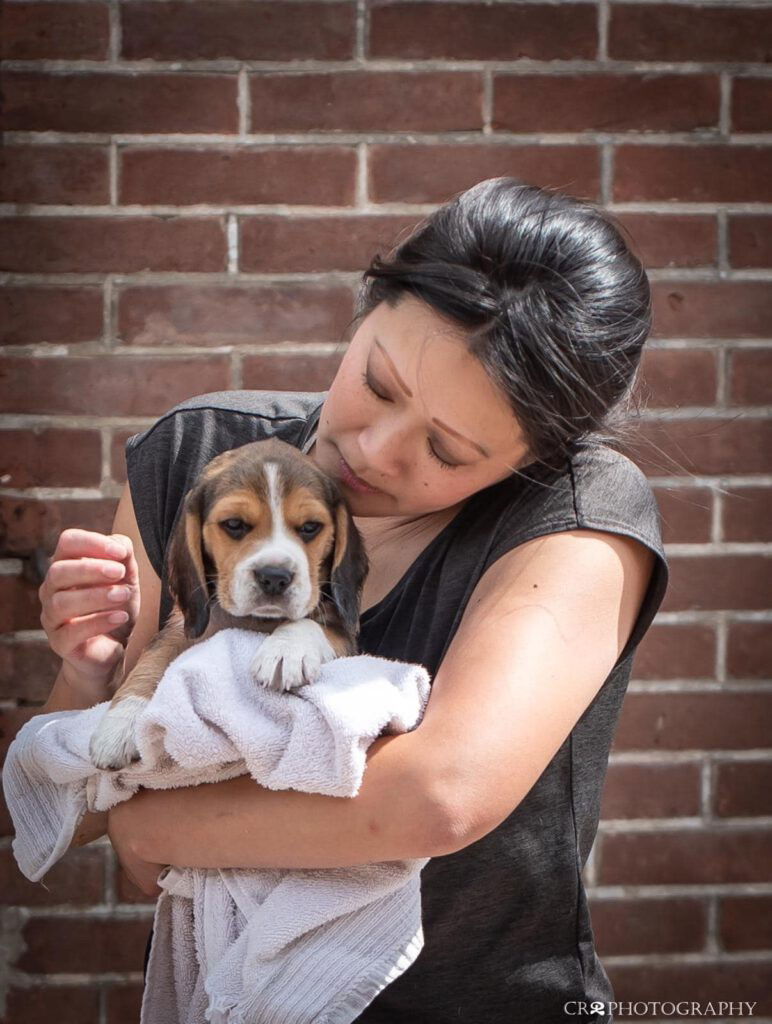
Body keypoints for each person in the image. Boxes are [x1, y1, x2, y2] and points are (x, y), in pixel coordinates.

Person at [37, 177, 668, 1023]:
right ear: (367, 307)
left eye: (447, 450)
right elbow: (77, 807)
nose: (374, 450)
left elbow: (437, 796)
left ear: (532, 460)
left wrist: (152, 828)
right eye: (377, 383)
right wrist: (89, 679)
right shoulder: (200, 458)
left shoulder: (579, 511)